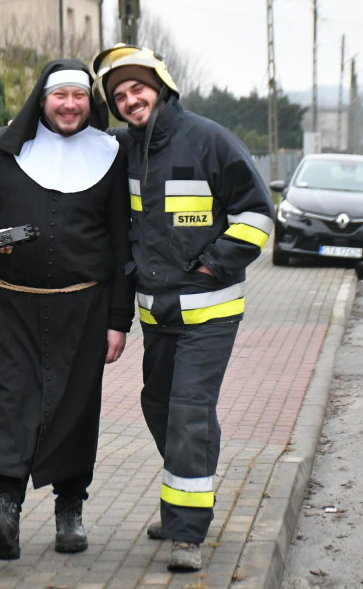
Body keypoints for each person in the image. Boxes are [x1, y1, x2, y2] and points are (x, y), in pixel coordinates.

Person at [91, 44, 274, 572]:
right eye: (120, 95)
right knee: (159, 409)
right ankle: (183, 497)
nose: (130, 100)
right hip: (158, 317)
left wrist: (213, 265)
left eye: (137, 88)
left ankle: (187, 531)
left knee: (190, 414)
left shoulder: (210, 140)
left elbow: (257, 214)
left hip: (210, 311)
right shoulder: (120, 149)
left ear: (162, 85)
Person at [0, 58, 133, 561]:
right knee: (10, 403)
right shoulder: (6, 147)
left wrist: (119, 320)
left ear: (90, 102)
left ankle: (69, 508)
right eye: (59, 96)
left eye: (78, 96)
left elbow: (121, 243)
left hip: (85, 309)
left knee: (73, 409)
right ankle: (2, 510)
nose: (69, 106)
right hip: (12, 307)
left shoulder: (112, 155)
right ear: (42, 100)